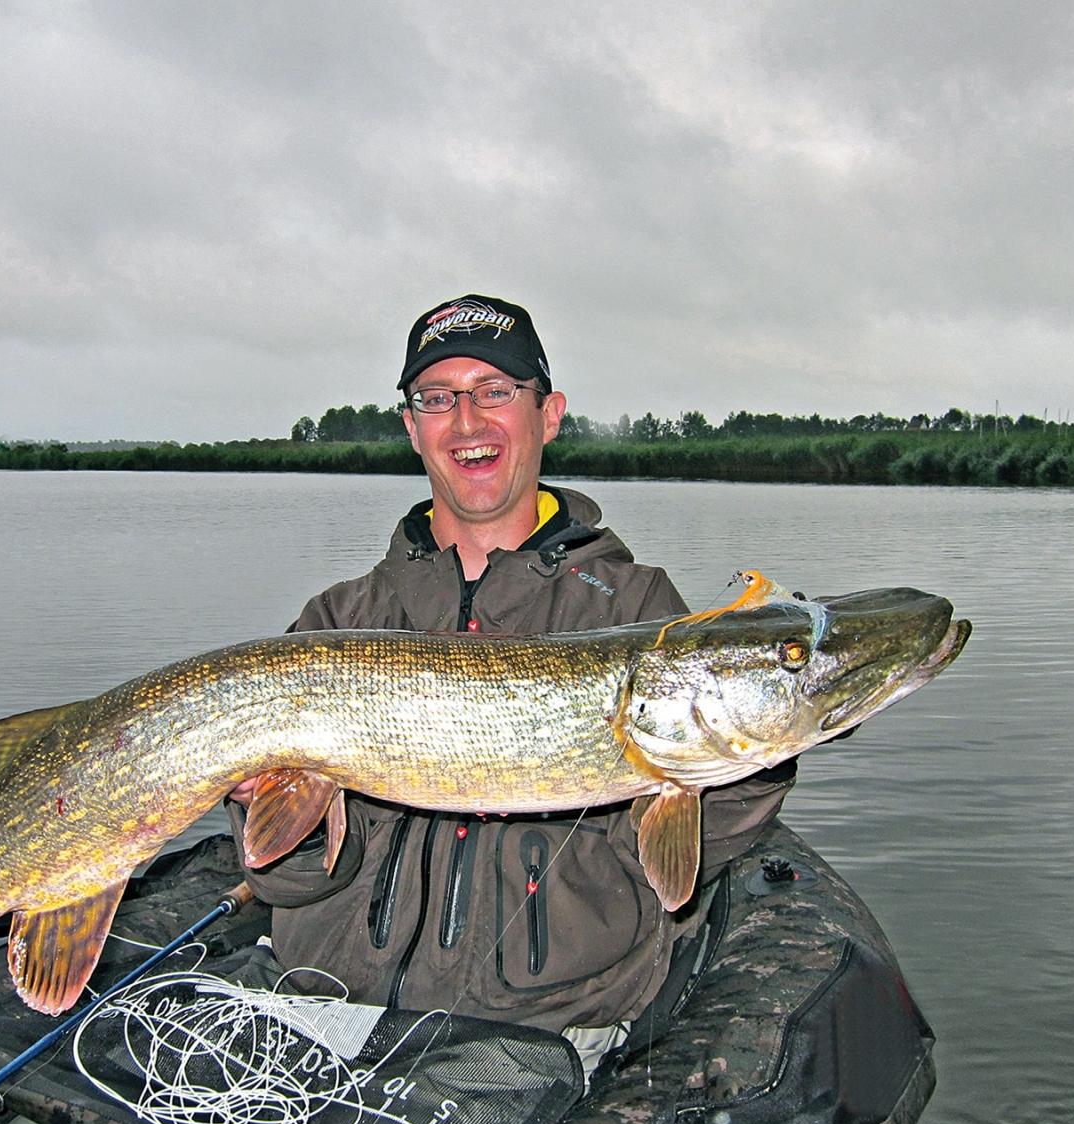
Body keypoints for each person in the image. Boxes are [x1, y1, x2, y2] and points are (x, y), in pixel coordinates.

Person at [229, 293, 795, 1075]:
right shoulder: (339, 619)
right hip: (325, 1012)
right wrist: (266, 809)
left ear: (548, 414)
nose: (467, 421)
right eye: (437, 398)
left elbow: (677, 865)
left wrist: (759, 751)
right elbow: (289, 882)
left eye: (495, 391)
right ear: (412, 427)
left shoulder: (637, 611)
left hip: (540, 1039)